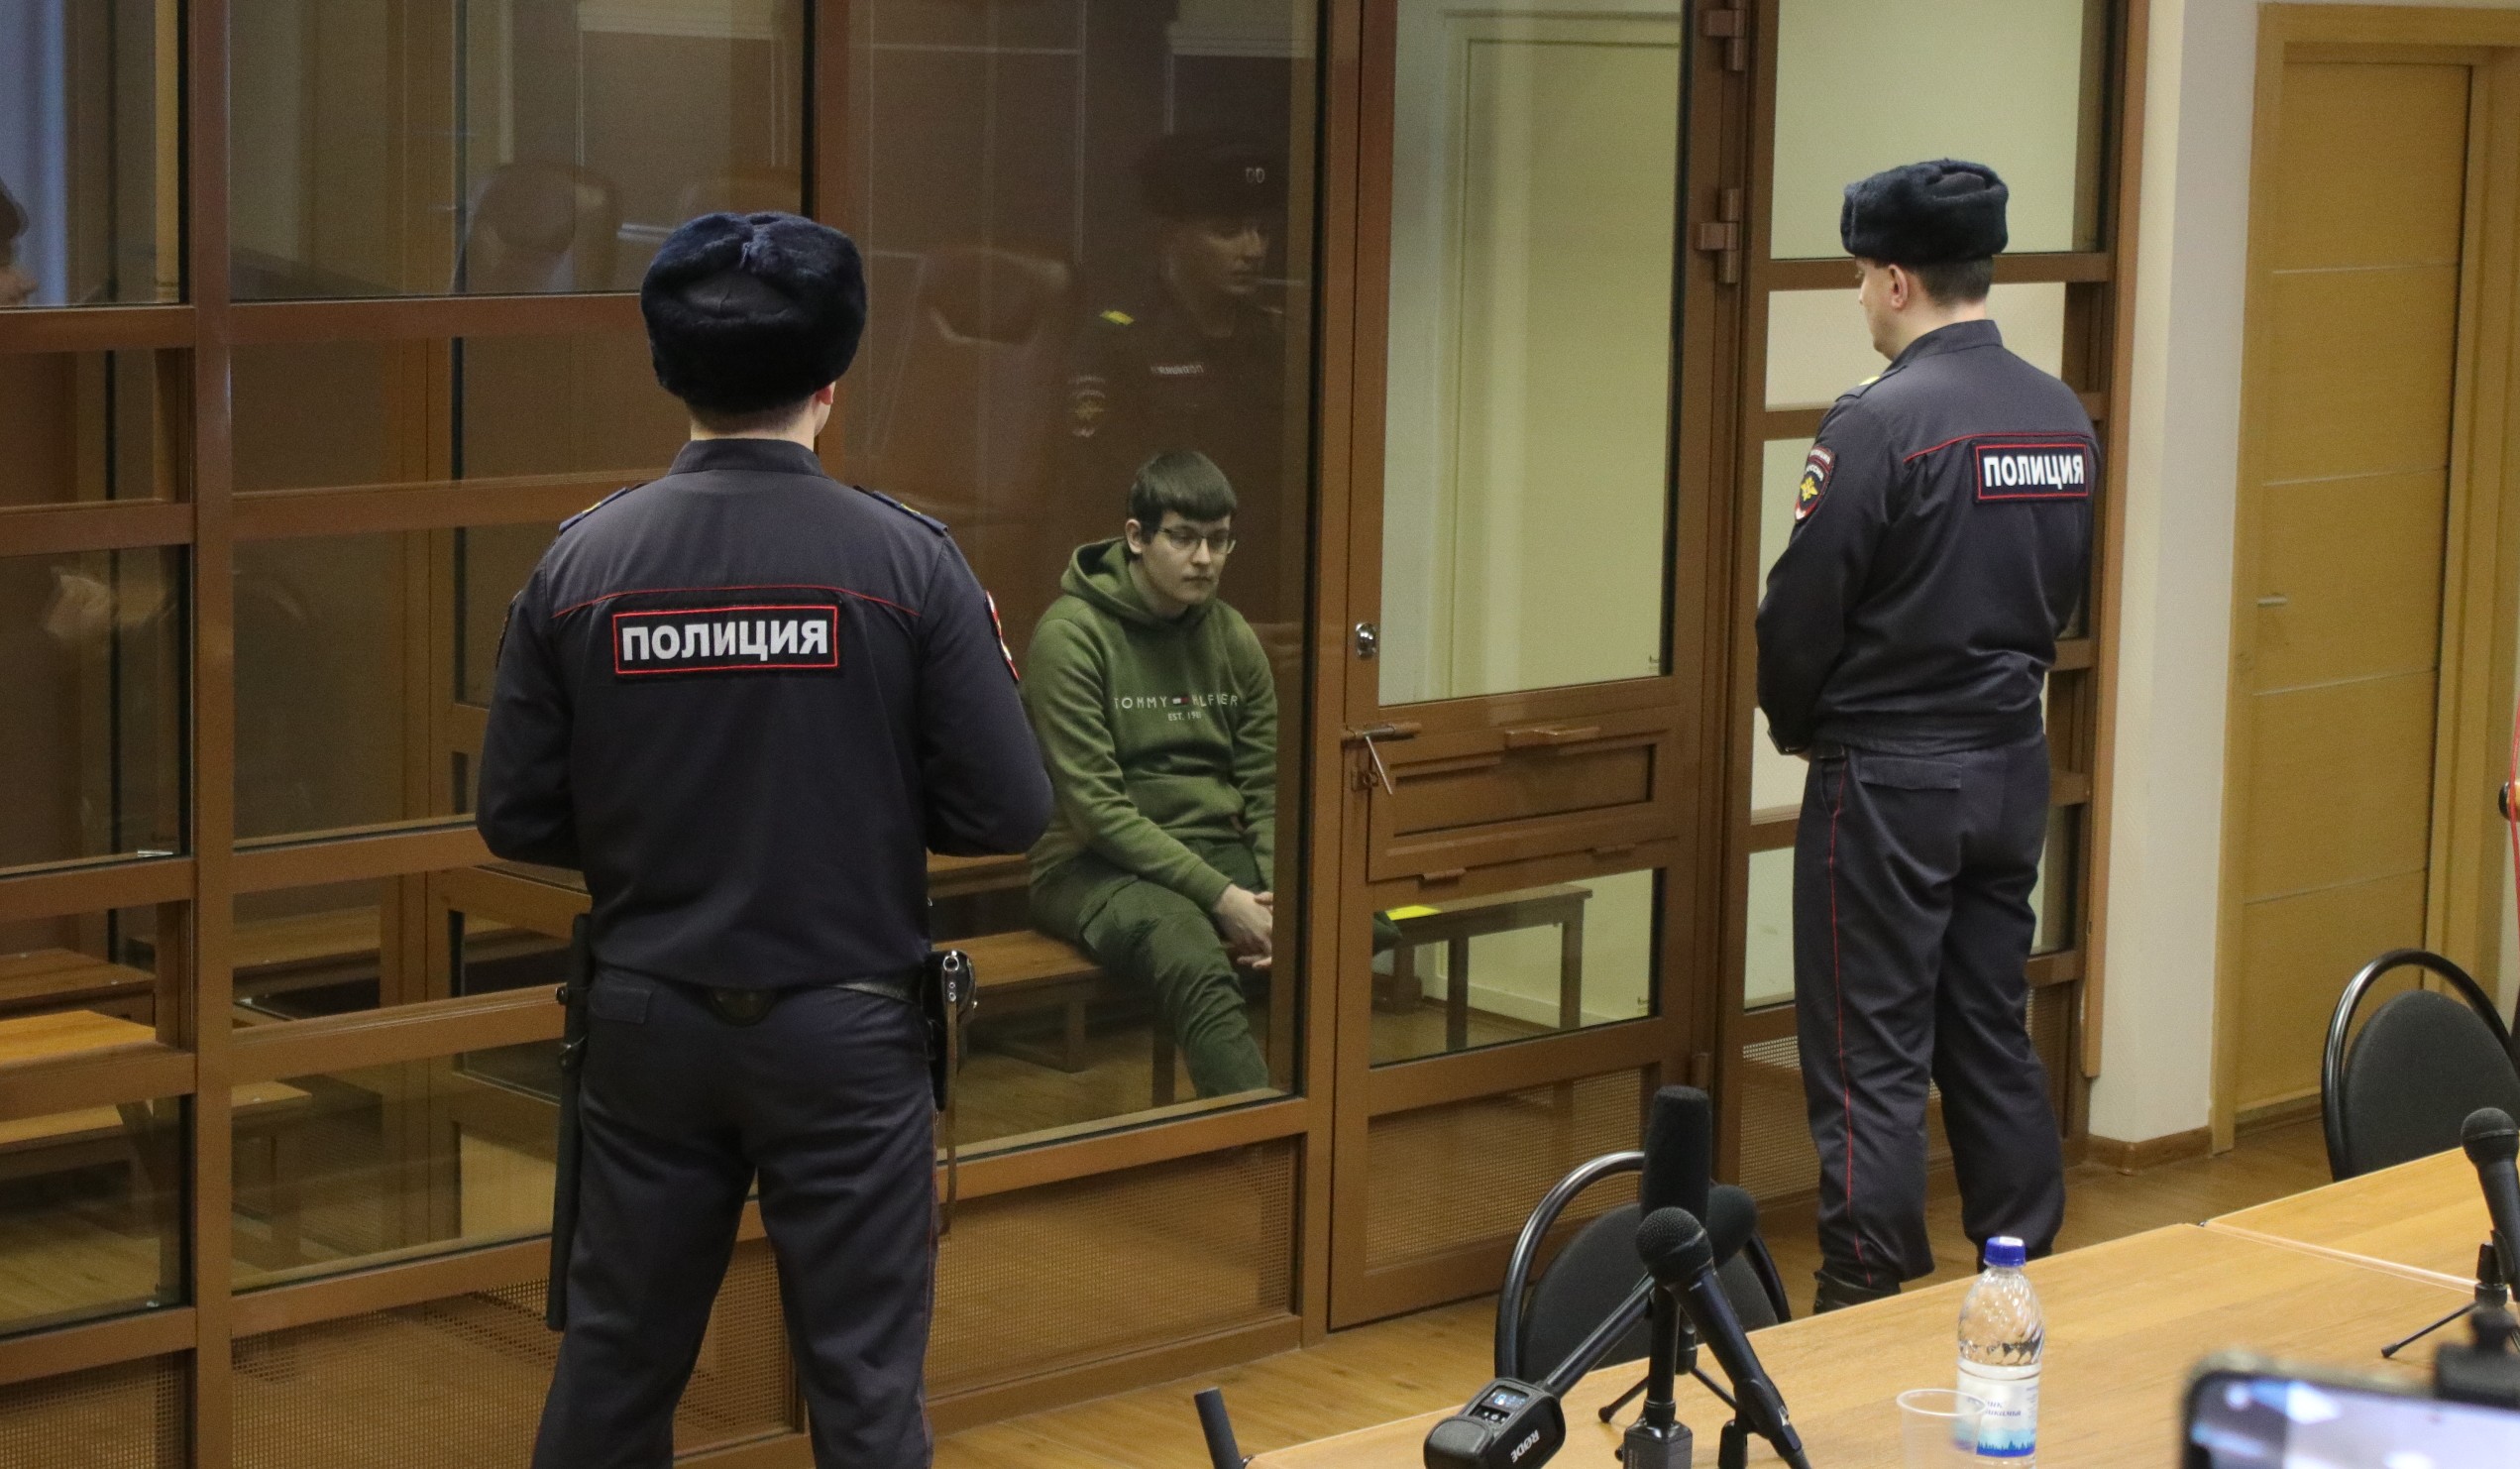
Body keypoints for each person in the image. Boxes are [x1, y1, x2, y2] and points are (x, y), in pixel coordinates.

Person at [475, 210, 1052, 1466]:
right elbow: (1006, 810)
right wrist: (856, 802)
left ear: (667, 370)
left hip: (647, 1022)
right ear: (833, 379)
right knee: (863, 1389)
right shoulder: (908, 563)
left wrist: (656, 827)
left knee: (615, 1367)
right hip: (846, 1028)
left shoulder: (583, 562)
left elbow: (512, 814)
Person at [1756, 161, 2092, 1315]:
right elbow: (2060, 587)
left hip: (1889, 777)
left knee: (1869, 1053)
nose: (1858, 295)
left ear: (1895, 280)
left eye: (1860, 275)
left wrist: (1800, 726)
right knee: (1987, 1025)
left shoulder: (1878, 422)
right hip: (2007, 763)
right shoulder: (2058, 414)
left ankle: (1866, 1294)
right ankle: (2017, 1272)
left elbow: (1800, 610)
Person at [1024, 450, 1279, 1098]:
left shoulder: (1232, 635)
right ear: (1136, 537)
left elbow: (1265, 786)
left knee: (1343, 921)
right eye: (1183, 538)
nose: (1204, 559)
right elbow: (1098, 813)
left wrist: (1279, 894)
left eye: (1219, 540)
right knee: (1188, 947)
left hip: (1210, 845)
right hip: (1087, 864)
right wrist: (1225, 899)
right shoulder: (1071, 636)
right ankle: (1261, 1141)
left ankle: (1330, 1126)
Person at [1060, 132, 1290, 623]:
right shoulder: (1119, 345)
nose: (1253, 249)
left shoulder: (1277, 342)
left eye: (1261, 230)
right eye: (1227, 231)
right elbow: (1096, 504)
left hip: (1268, 597)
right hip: (1159, 609)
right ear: (1169, 237)